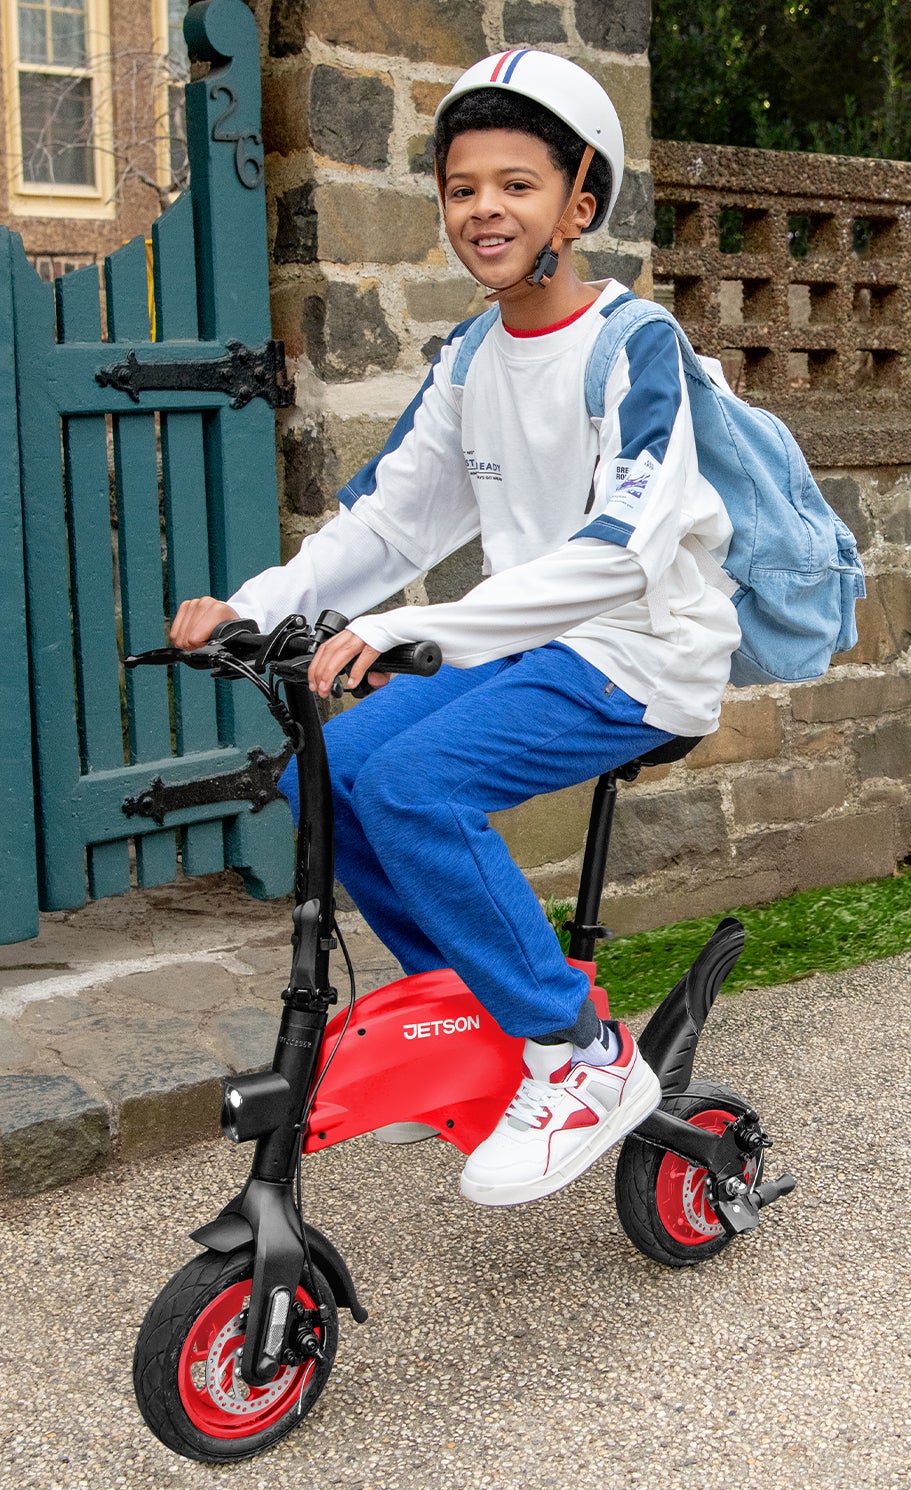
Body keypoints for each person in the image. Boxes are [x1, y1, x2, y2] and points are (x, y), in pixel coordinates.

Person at [169, 49, 741, 1207]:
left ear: (580, 205)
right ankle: (487, 1022)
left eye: (518, 184)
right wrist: (254, 606)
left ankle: (580, 1054)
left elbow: (620, 550)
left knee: (419, 784)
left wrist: (419, 627)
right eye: (463, 185)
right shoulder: (472, 357)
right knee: (321, 775)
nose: (486, 208)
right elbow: (388, 520)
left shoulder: (636, 351)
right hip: (524, 643)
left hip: (639, 652)